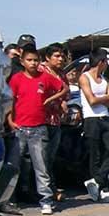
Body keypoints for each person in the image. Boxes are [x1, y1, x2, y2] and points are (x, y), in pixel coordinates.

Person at [8, 45, 67, 214]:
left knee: (41, 167)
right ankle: (8, 199)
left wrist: (50, 99)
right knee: (14, 166)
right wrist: (10, 120)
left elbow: (63, 88)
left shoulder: (45, 78)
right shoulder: (17, 79)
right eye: (29, 60)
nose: (33, 63)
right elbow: (11, 101)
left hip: (39, 129)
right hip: (20, 128)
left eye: (35, 60)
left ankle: (46, 200)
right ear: (22, 61)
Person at [79, 48, 109, 201]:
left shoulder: (105, 80)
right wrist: (105, 97)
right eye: (106, 61)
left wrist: (102, 98)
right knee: (95, 157)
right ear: (101, 62)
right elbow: (91, 100)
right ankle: (101, 189)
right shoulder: (84, 78)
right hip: (91, 120)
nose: (108, 64)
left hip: (105, 118)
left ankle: (96, 181)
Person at [41, 44, 69, 201]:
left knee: (50, 158)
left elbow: (67, 94)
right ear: (47, 57)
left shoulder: (62, 74)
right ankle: (47, 190)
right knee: (40, 159)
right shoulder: (40, 71)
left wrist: (63, 101)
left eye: (62, 57)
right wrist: (59, 99)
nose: (61, 59)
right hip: (40, 121)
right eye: (57, 56)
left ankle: (49, 189)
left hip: (55, 121)